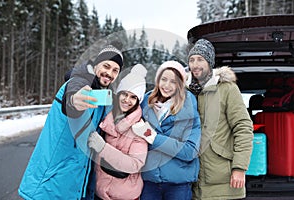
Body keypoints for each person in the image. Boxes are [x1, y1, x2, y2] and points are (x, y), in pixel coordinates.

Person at [18, 44, 123, 200]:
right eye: (106, 66)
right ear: (96, 65)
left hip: (75, 187)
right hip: (49, 185)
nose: (109, 73)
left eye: (115, 70)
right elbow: (73, 94)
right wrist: (74, 100)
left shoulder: (102, 101)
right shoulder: (78, 83)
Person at [186, 38, 253, 200]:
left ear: (210, 62)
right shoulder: (186, 91)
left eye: (200, 59)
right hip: (193, 181)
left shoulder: (227, 89)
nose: (195, 64)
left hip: (223, 180)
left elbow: (243, 128)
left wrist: (239, 168)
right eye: (191, 60)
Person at [131, 60, 201, 200]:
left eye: (173, 82)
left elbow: (190, 151)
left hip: (178, 184)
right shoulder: (145, 104)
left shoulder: (189, 109)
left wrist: (153, 138)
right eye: (164, 79)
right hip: (149, 182)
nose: (167, 85)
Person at [87, 64, 148, 200]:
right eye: (125, 94)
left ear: (138, 101)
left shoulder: (140, 128)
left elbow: (135, 164)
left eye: (133, 97)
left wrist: (103, 148)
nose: (127, 100)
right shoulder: (106, 118)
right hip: (99, 191)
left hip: (124, 195)